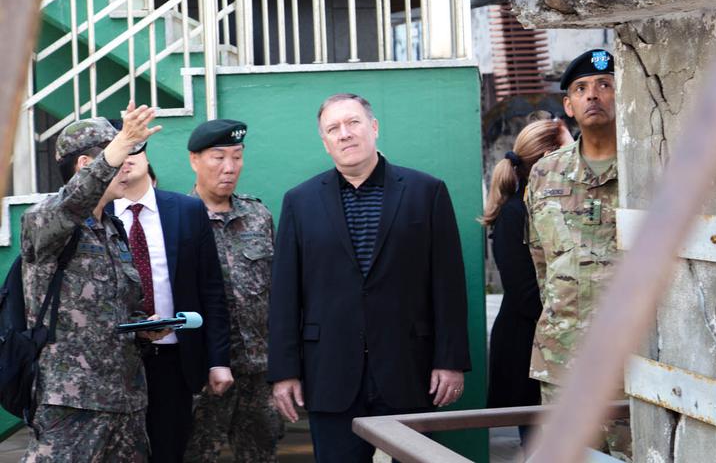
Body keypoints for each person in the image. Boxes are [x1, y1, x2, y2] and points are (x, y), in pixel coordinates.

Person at [268, 93, 471, 463]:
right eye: (333, 128)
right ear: (325, 142)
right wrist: (284, 372)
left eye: (353, 123)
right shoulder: (300, 201)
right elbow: (284, 294)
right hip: (330, 371)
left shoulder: (427, 192)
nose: (345, 134)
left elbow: (448, 284)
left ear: (374, 128)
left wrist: (450, 360)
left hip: (410, 367)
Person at [20, 104, 161, 461]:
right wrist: (123, 141)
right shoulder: (44, 221)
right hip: (72, 403)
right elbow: (74, 201)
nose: (128, 166)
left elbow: (117, 307)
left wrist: (144, 326)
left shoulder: (113, 230)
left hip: (126, 399)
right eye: (119, 156)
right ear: (87, 167)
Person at [525, 49, 629, 456]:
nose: (593, 96)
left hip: (634, 358)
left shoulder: (650, 165)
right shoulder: (544, 174)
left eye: (605, 86)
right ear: (567, 105)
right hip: (562, 360)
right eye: (581, 89)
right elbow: (541, 262)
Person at [110, 138, 233, 462]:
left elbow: (212, 290)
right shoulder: (96, 213)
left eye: (134, 147)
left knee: (169, 450)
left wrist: (218, 359)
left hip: (174, 358)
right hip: (115, 360)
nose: (127, 157)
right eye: (117, 150)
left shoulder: (187, 210)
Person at [184, 119, 284, 462]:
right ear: (194, 160)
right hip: (205, 376)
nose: (229, 168)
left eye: (237, 157)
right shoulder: (180, 220)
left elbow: (279, 292)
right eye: (218, 157)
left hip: (260, 373)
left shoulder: (258, 216)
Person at [481, 118, 573, 448]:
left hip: (551, 343)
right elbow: (526, 295)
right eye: (568, 152)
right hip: (530, 347)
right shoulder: (515, 213)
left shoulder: (551, 207)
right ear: (548, 159)